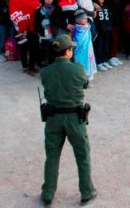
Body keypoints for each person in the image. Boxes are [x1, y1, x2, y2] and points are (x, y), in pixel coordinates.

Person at [39, 34, 96, 206]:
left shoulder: (45, 72)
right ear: (68, 51)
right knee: (82, 155)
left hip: (53, 118)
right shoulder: (78, 69)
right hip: (74, 118)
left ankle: (48, 193)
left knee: (52, 156)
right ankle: (86, 191)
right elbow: (84, 84)